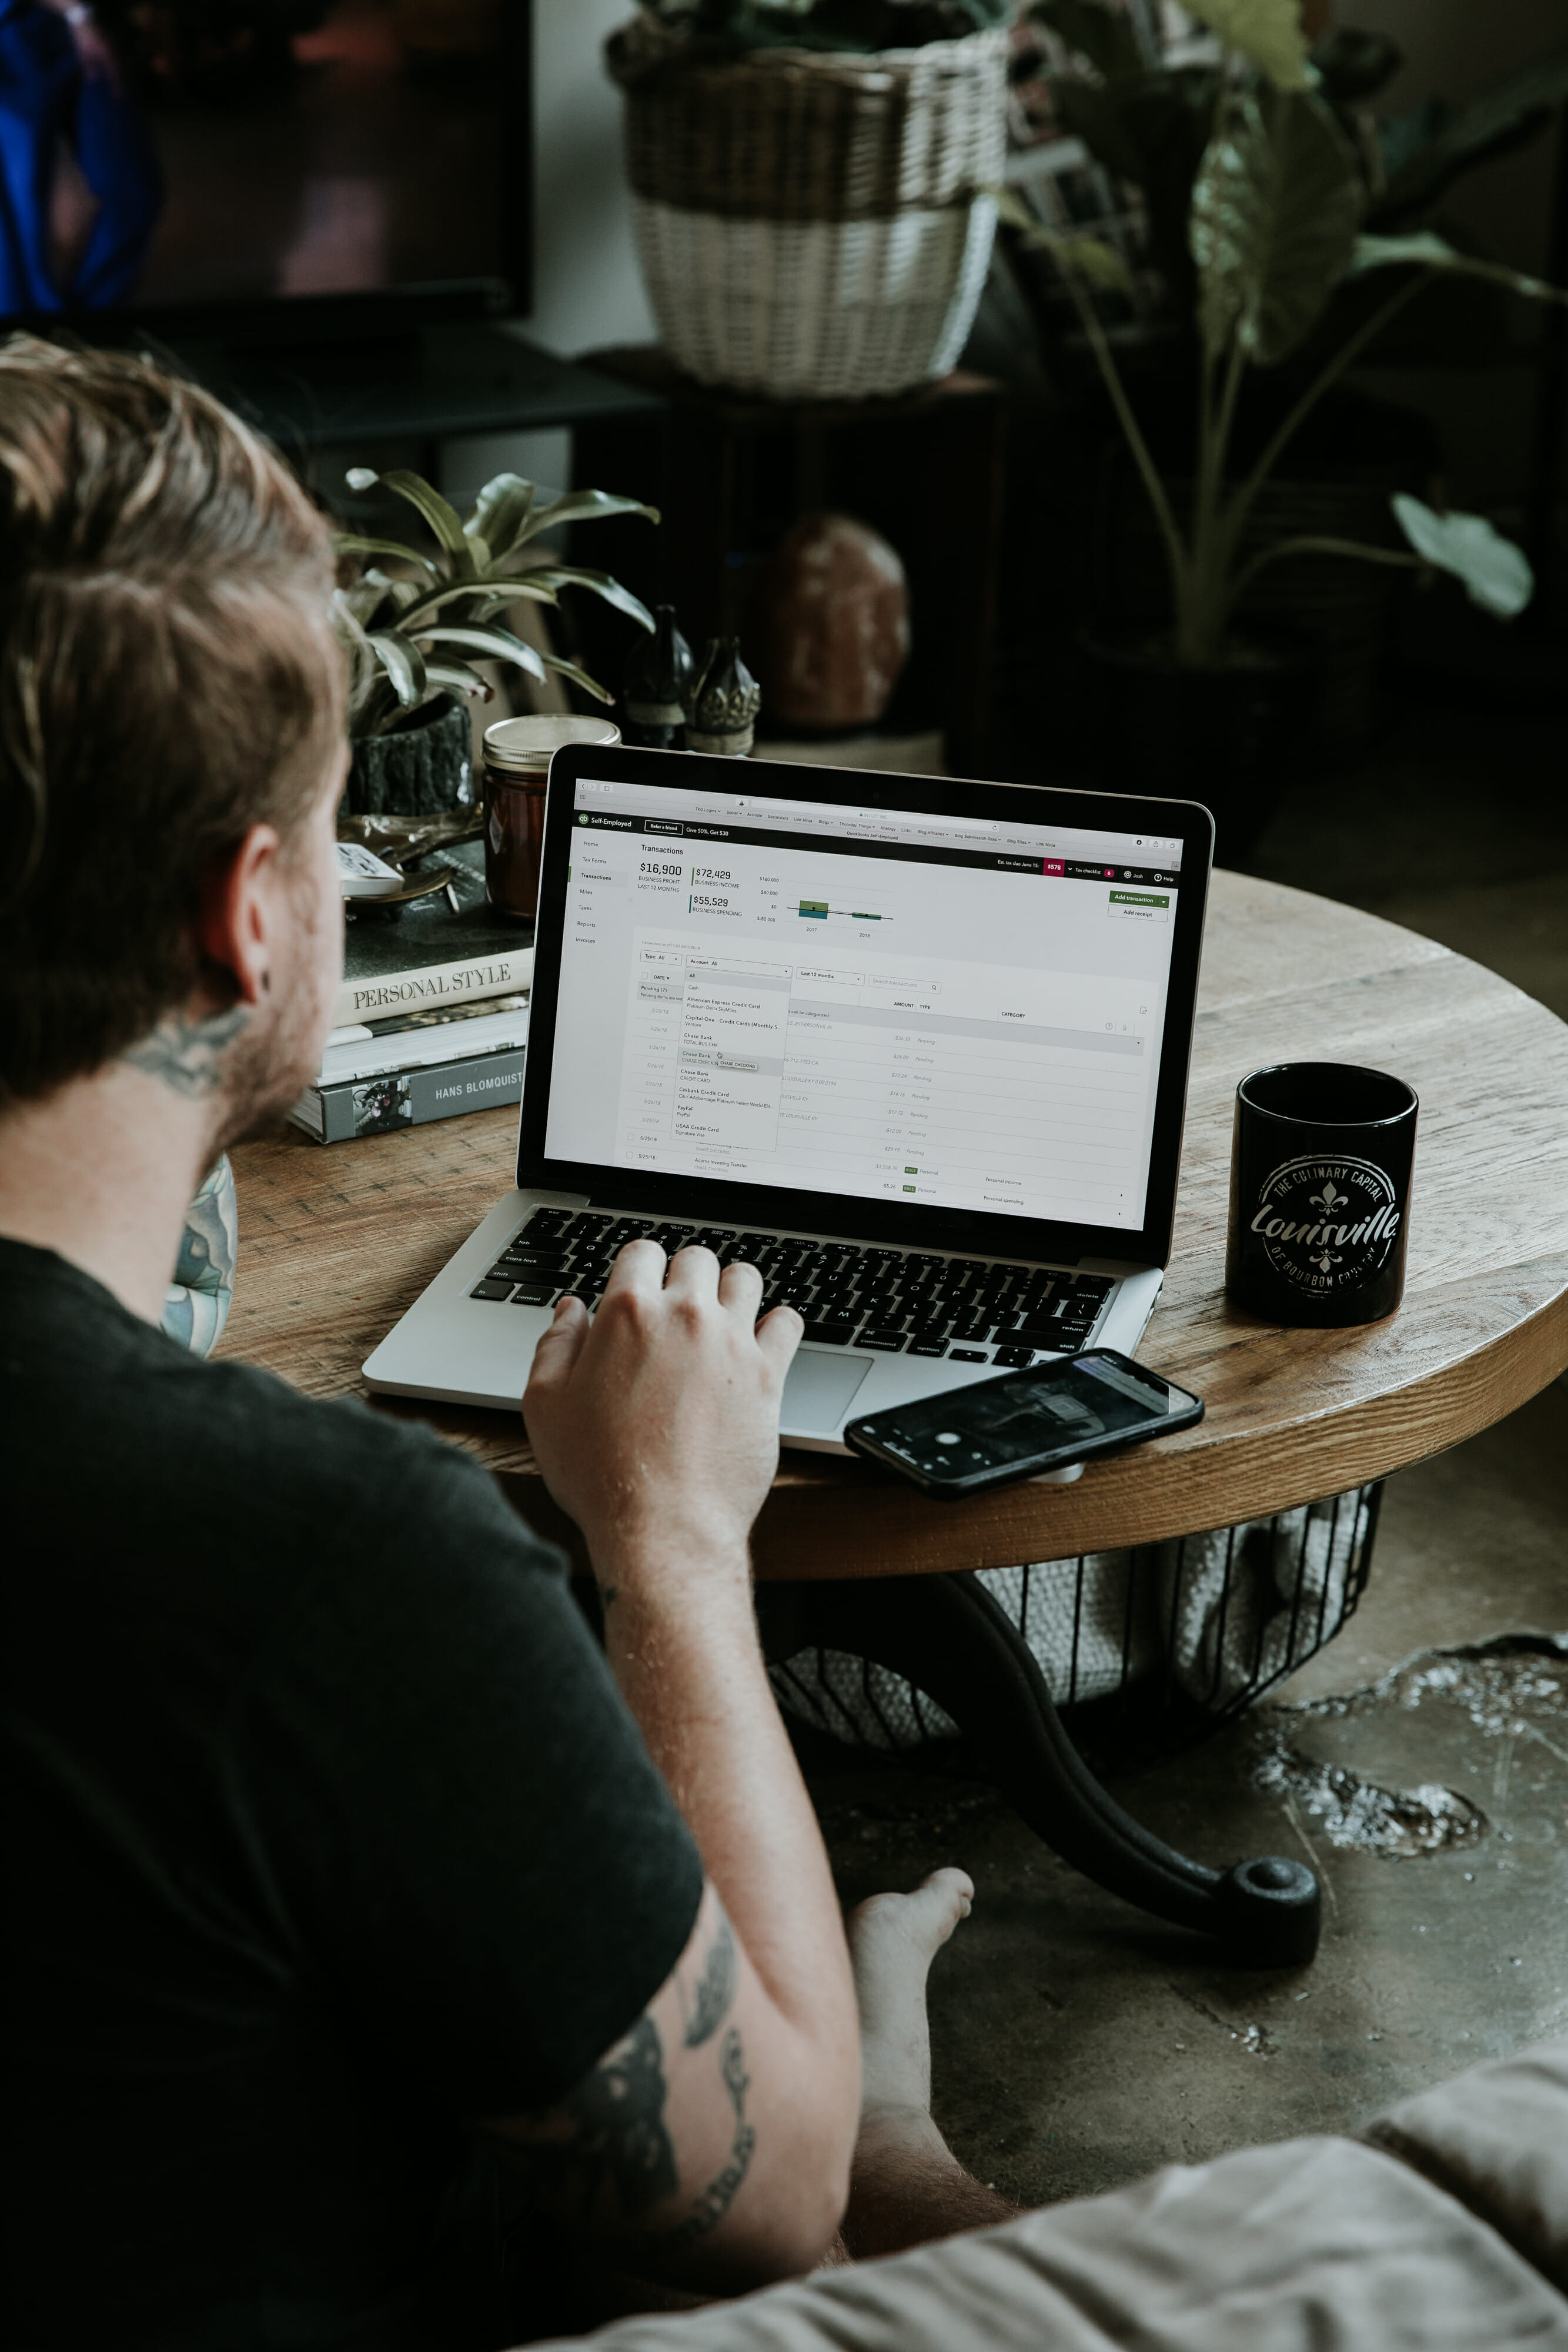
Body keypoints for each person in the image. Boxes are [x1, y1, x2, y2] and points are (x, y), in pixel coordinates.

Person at [0, 336, 1011, 2351]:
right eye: (331, 831)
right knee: (891, 2191)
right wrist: (671, 1538)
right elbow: (765, 2202)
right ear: (251, 918)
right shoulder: (328, 1562)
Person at [0, 0, 163, 312]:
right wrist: (77, 14)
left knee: (135, 190)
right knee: (20, 209)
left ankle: (88, 320)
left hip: (95, 25)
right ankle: (29, 335)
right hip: (18, 34)